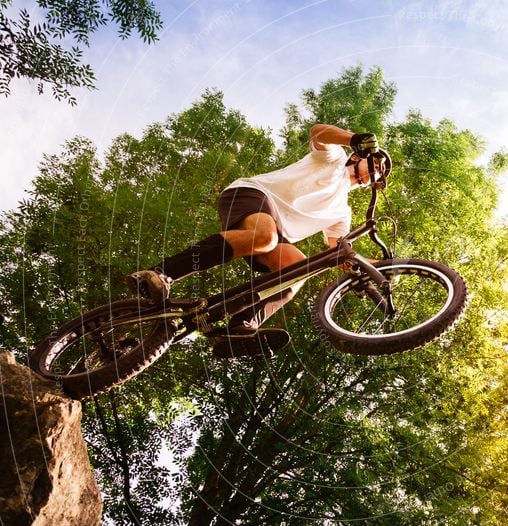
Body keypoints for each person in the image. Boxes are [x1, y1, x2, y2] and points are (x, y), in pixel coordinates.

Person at [126, 124, 391, 358]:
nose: (377, 175)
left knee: (300, 271)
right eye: (377, 166)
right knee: (264, 237)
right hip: (254, 195)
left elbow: (338, 250)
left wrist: (379, 266)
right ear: (359, 156)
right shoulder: (333, 159)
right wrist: (353, 137)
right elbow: (318, 132)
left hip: (276, 234)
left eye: (380, 176)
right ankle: (160, 273)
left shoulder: (342, 212)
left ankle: (240, 327)